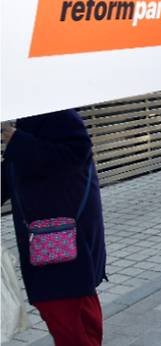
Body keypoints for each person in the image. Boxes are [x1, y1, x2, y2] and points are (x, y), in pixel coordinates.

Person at [1, 110, 107, 346]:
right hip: (51, 249)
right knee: (71, 326)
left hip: (65, 251)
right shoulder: (30, 117)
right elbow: (14, 172)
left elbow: (76, 155)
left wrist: (18, 141)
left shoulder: (60, 115)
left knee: (75, 329)